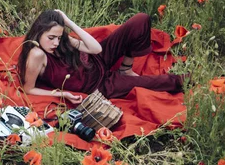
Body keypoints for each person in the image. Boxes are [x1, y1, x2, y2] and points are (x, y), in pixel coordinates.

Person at [17, 9, 184, 103]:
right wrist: (63, 94)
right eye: (51, 38)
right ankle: (188, 79)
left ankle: (125, 69)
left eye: (59, 37)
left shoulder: (61, 41)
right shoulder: (37, 54)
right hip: (99, 85)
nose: (55, 43)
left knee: (141, 20)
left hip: (96, 61)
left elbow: (96, 49)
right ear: (38, 33)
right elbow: (28, 89)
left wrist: (68, 22)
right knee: (156, 82)